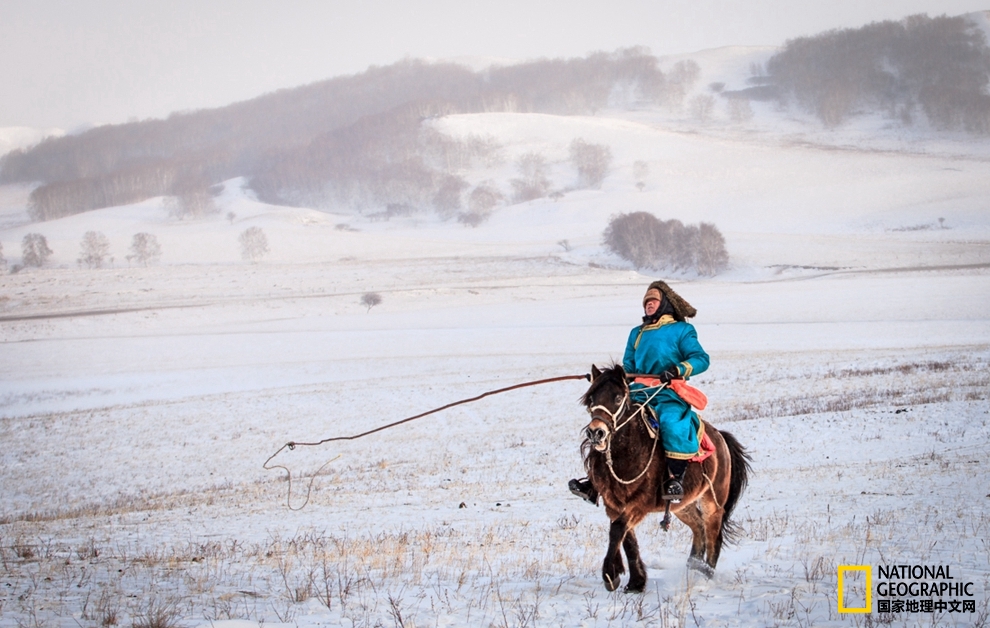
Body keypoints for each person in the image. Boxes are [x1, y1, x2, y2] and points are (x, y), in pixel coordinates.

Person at [569, 280, 709, 504]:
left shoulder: (682, 330)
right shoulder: (637, 333)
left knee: (671, 422)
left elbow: (701, 359)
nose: (649, 305)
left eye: (653, 301)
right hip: (639, 392)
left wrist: (677, 369)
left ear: (665, 304)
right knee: (611, 424)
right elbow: (630, 369)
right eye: (646, 303)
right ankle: (594, 482)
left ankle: (675, 479)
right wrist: (604, 380)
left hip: (668, 392)